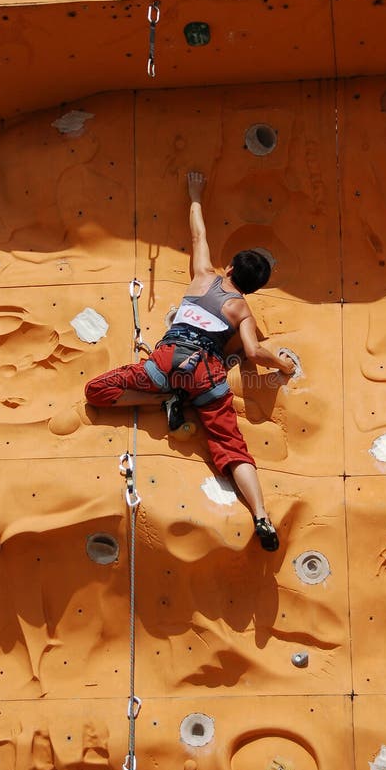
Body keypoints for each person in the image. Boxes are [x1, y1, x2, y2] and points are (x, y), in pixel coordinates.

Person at [85, 171, 296, 551]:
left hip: (166, 362)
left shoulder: (203, 277)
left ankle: (163, 400)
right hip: (207, 377)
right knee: (231, 447)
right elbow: (253, 353)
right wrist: (281, 364)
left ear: (229, 268)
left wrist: (195, 194)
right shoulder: (241, 310)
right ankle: (261, 514)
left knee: (97, 391)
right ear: (253, 287)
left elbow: (198, 236)